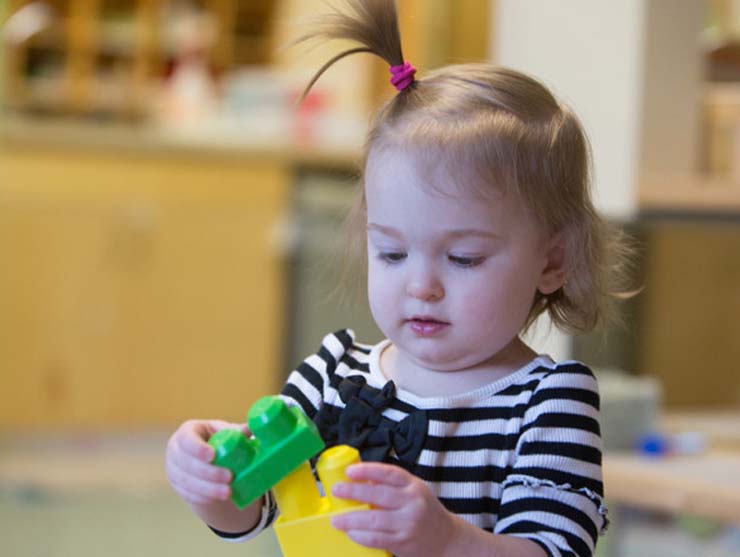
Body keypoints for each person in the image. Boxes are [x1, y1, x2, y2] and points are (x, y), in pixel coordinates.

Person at [165, 1, 631, 555]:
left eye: (463, 259)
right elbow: (255, 512)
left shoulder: (549, 404)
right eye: (391, 252)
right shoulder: (332, 374)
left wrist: (446, 539)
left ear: (551, 262)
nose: (421, 286)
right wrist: (209, 481)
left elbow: (555, 549)